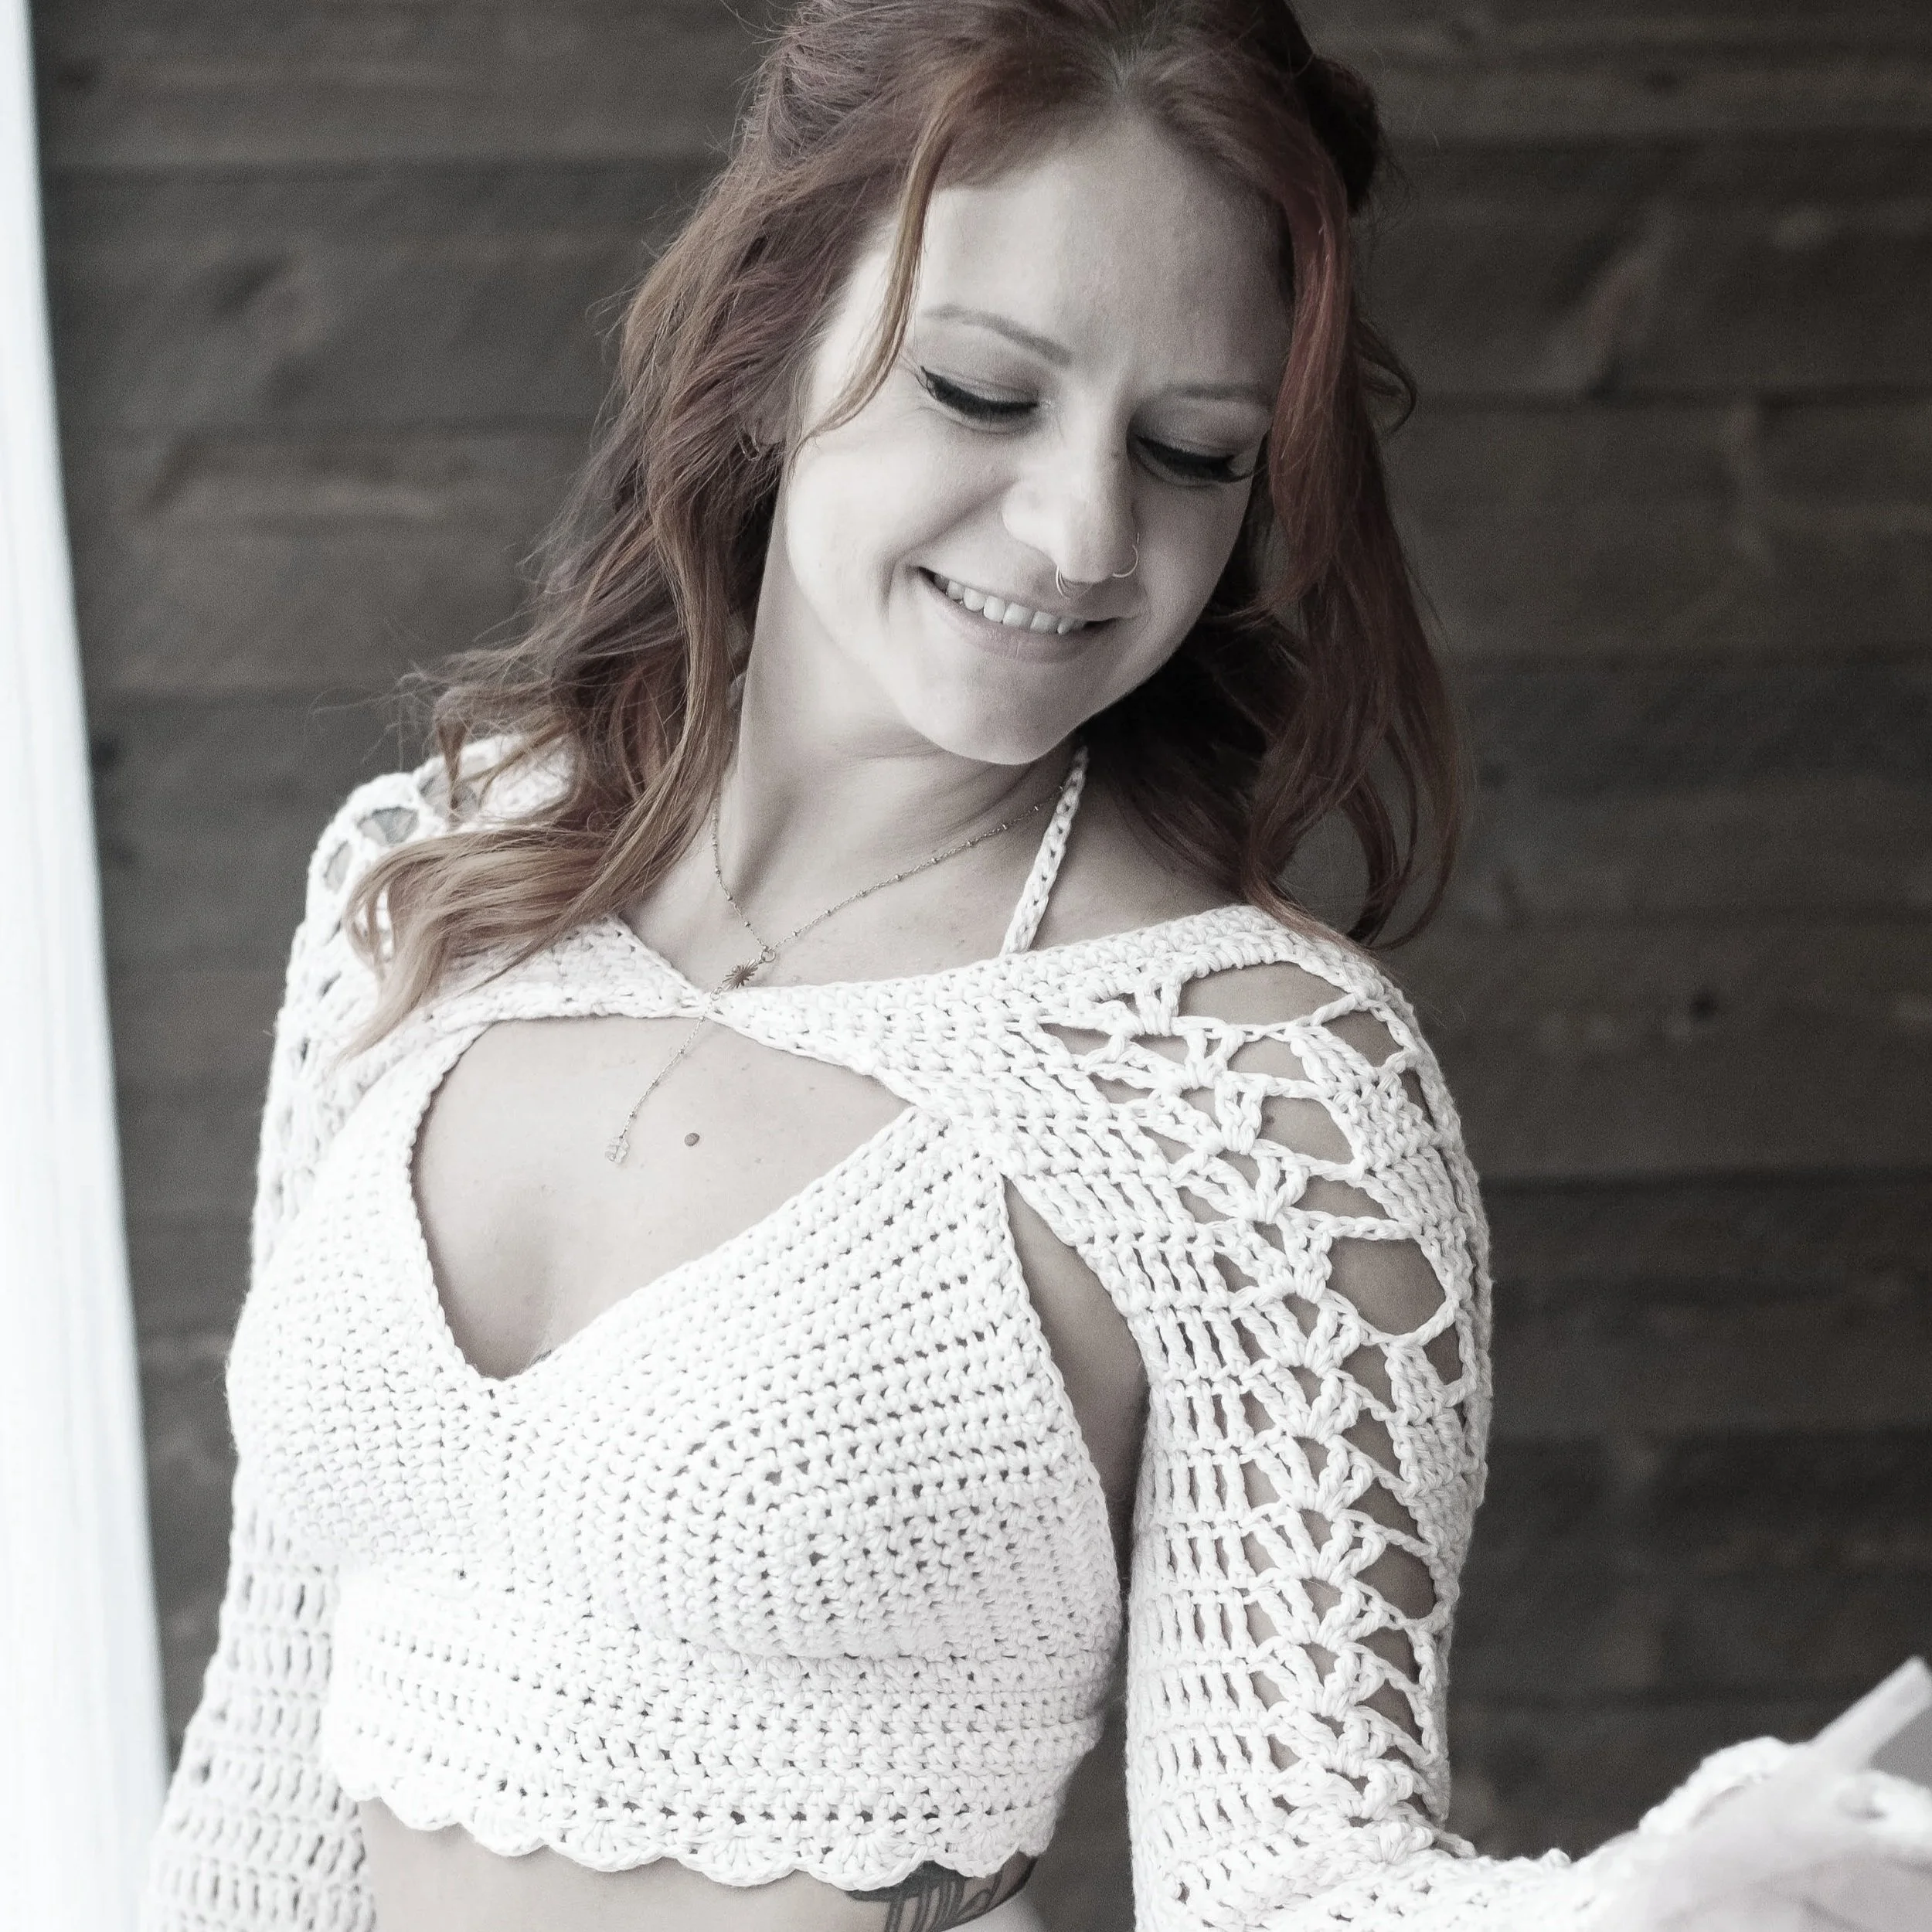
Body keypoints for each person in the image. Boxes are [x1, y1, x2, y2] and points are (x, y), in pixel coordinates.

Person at [136, 2, 1932, 1929]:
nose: (1084, 532)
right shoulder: (430, 880)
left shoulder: (1246, 1078)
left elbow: (1287, 1877)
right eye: (984, 396)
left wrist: (1656, 1900)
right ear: (765, 350)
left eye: (1192, 451)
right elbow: (268, 1738)